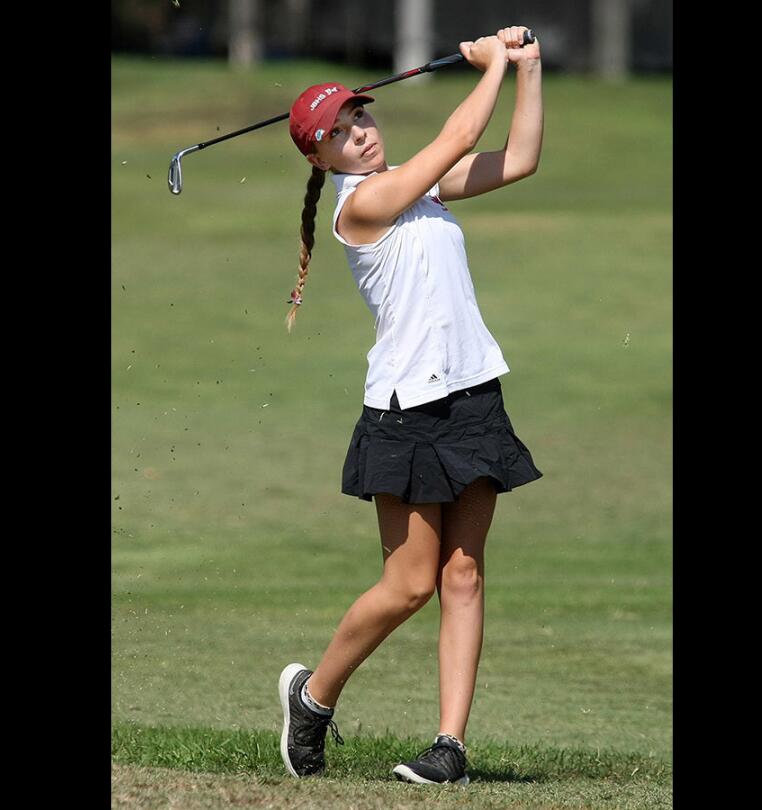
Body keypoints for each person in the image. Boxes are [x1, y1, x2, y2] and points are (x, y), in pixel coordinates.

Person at [277, 26, 544, 786]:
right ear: (319, 158)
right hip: (406, 412)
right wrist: (487, 65)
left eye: (359, 118)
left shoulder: (412, 182)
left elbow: (519, 159)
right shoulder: (363, 204)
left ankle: (450, 748)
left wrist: (525, 70)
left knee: (465, 577)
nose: (358, 133)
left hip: (473, 396)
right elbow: (460, 130)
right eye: (338, 132)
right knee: (409, 585)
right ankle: (313, 697)